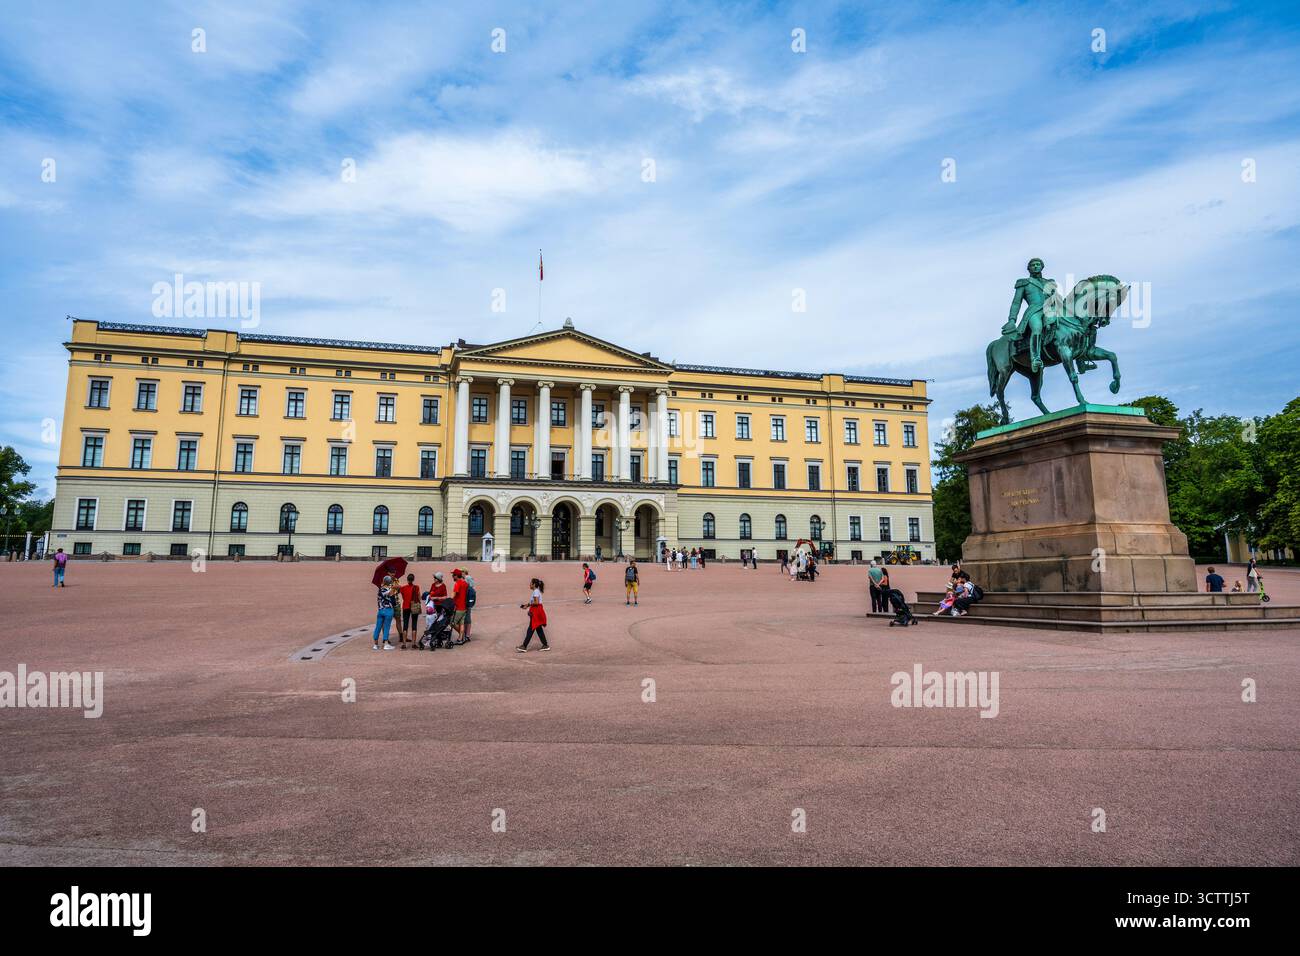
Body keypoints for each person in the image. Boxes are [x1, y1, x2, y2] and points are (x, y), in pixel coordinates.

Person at [517, 578, 550, 652]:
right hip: (537, 610)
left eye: (531, 583)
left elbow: (537, 602)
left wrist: (529, 605)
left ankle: (524, 646)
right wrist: (527, 605)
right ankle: (545, 645)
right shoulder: (536, 591)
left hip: (536, 611)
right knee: (538, 628)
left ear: (534, 584)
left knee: (531, 629)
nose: (530, 585)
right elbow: (535, 602)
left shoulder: (535, 591)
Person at [373, 575, 398, 650]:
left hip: (380, 610)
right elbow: (394, 602)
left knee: (378, 627)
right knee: (386, 627)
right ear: (390, 582)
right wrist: (393, 589)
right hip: (388, 610)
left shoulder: (380, 589)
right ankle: (386, 643)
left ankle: (375, 644)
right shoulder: (391, 590)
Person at [397, 573, 420, 646]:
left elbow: (402, 596)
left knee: (405, 625)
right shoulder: (417, 587)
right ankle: (413, 643)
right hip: (414, 607)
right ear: (413, 579)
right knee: (414, 625)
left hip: (406, 606)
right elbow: (419, 597)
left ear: (407, 580)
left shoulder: (403, 588)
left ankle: (404, 644)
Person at [450, 568, 470, 640]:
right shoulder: (465, 583)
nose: (452, 576)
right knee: (461, 623)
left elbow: (453, 595)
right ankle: (460, 638)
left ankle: (463, 636)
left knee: (452, 622)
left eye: (453, 575)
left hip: (458, 607)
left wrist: (448, 601)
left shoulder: (457, 583)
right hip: (464, 606)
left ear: (456, 576)